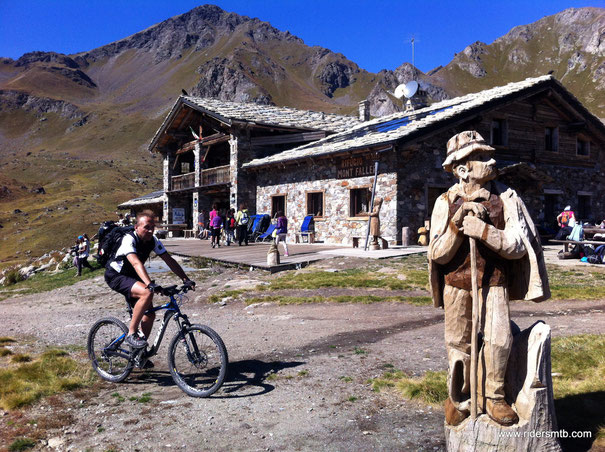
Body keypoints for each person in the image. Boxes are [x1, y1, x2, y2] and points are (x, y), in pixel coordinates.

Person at [428, 131, 549, 427]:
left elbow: (518, 245)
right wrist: (458, 228)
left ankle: (494, 398)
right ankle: (459, 398)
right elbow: (437, 254)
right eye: (481, 157)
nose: (491, 160)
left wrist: (483, 232)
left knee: (499, 339)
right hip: (456, 285)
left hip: (494, 281)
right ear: (462, 169)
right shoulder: (445, 202)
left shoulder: (505, 198)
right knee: (459, 344)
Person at [104, 210, 195, 349]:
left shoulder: (153, 240)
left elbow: (169, 260)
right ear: (137, 227)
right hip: (116, 275)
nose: (150, 230)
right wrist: (149, 284)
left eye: (152, 227)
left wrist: (185, 279)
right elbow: (135, 263)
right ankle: (131, 334)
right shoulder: (129, 239)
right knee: (147, 292)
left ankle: (138, 353)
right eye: (146, 227)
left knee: (150, 315)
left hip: (133, 276)